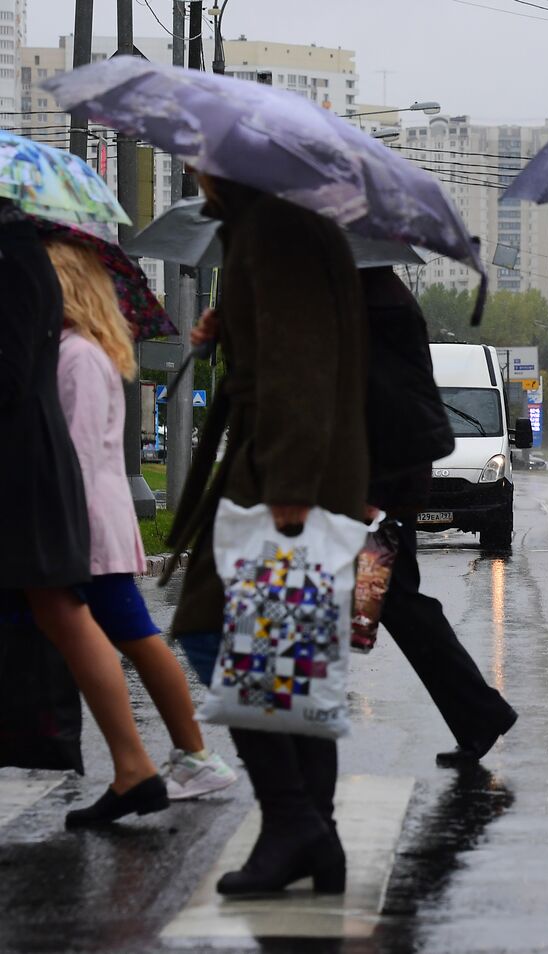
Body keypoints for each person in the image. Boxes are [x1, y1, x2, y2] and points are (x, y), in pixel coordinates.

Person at [165, 175, 367, 896]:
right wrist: (233, 327)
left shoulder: (274, 228)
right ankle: (319, 834)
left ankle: (292, 822)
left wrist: (288, 487)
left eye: (196, 160)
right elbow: (290, 346)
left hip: (282, 481)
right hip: (304, 472)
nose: (191, 172)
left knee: (207, 630)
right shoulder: (288, 222)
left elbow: (299, 367)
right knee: (292, 658)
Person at [45, 237, 237, 802]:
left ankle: (191, 755)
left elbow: (75, 453)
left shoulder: (77, 355)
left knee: (132, 635)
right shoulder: (79, 349)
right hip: (90, 522)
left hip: (84, 525)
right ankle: (186, 754)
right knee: (131, 635)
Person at [0, 201, 168, 828]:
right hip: (68, 497)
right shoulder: (31, 267)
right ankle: (140, 765)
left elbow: (21, 388)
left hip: (59, 496)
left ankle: (155, 762)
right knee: (82, 620)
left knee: (98, 622)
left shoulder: (21, 266)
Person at [361, 266, 518, 766]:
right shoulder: (376, 295)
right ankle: (478, 713)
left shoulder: (375, 303)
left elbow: (382, 402)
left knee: (389, 599)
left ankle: (479, 712)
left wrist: (374, 489)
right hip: (380, 482)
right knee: (392, 600)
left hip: (376, 486)